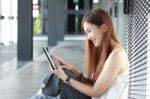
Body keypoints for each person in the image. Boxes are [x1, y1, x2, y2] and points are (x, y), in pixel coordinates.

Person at [32, 8, 129, 99]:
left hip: (94, 96)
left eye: (89, 31)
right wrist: (72, 69)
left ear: (103, 27)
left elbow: (95, 92)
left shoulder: (116, 56)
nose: (88, 37)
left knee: (43, 95)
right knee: (59, 74)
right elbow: (93, 84)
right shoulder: (108, 52)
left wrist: (66, 78)